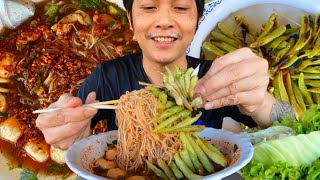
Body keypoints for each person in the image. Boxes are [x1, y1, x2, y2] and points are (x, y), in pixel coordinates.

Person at [36, 0, 294, 150]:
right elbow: (77, 124)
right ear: (130, 20)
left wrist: (261, 103)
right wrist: (68, 130)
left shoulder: (215, 76)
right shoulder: (107, 75)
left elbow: (292, 126)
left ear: (198, 20)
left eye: (180, 8)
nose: (164, 21)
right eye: (149, 7)